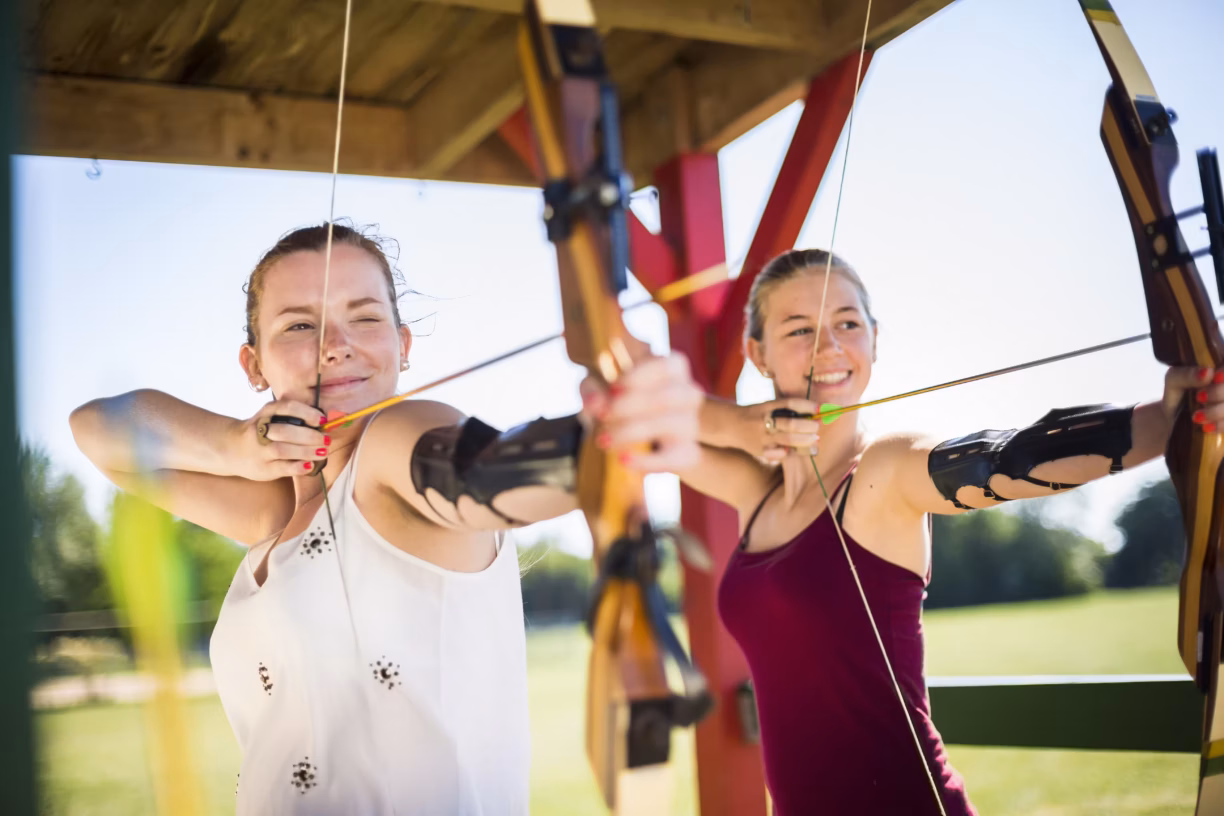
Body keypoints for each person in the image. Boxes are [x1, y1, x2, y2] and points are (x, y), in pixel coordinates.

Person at [69, 223, 704, 815]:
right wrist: (235, 445)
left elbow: (474, 474)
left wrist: (600, 440)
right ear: (253, 364)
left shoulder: (402, 438)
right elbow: (99, 431)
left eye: (365, 317)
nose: (337, 347)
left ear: (400, 344)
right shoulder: (277, 513)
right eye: (297, 326)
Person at [639, 248, 1221, 815]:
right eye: (798, 329)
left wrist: (1163, 420)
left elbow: (1003, 461)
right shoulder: (755, 491)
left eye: (848, 322)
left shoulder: (882, 472)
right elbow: (635, 424)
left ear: (873, 338)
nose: (830, 346)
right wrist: (736, 423)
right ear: (756, 352)